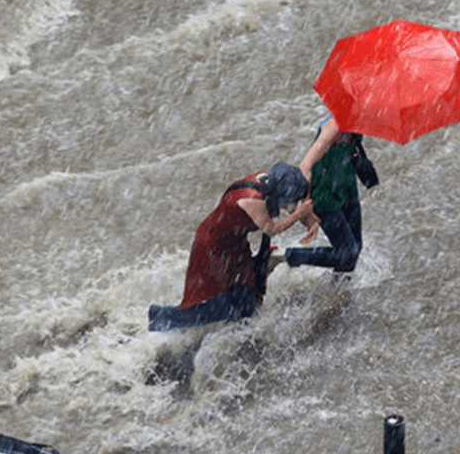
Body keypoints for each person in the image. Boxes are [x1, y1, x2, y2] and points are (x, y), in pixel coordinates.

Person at [149, 162, 314, 331]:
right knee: (216, 305)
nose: (291, 206)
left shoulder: (271, 181)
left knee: (247, 292)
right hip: (213, 247)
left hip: (235, 241)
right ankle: (160, 318)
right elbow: (272, 229)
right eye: (290, 201)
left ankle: (238, 330)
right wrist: (299, 215)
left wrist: (310, 220)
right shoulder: (252, 200)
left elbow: (286, 208)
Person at [277, 113, 366, 274]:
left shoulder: (357, 122)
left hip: (347, 190)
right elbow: (306, 165)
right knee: (347, 254)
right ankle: (284, 255)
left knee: (355, 248)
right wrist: (305, 210)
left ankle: (339, 293)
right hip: (325, 197)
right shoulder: (333, 126)